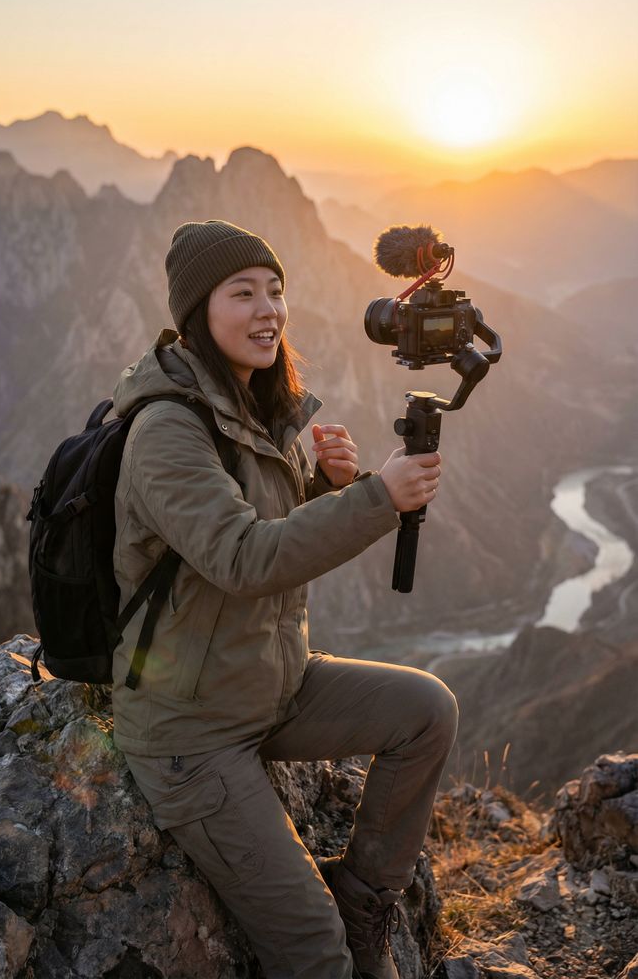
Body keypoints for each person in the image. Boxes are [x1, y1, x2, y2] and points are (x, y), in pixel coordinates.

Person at [112, 219, 458, 979]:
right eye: (242, 293)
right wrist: (376, 499)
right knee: (314, 955)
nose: (268, 309)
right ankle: (334, 934)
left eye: (275, 290)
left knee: (426, 711)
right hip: (191, 730)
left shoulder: (249, 406)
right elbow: (242, 559)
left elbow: (252, 532)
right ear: (198, 311)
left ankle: (363, 896)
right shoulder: (166, 429)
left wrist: (323, 487)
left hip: (270, 687)